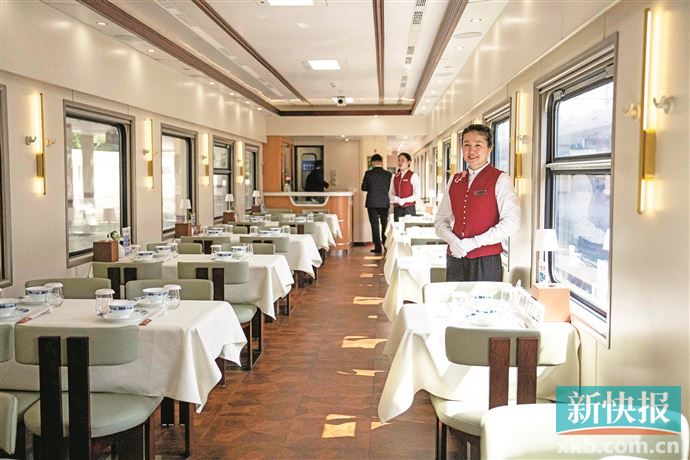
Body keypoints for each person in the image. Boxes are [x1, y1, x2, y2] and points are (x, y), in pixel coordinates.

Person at [435, 124, 520, 282]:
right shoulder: (454, 179)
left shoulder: (501, 179)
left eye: (478, 145)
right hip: (455, 257)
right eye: (466, 145)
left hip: (486, 260)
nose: (471, 151)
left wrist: (474, 243)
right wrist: (453, 241)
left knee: (484, 299)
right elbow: (440, 220)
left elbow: (511, 223)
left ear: (489, 148)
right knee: (454, 298)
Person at [361, 153, 393, 254]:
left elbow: (363, 187)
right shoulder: (388, 174)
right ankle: (386, 245)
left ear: (373, 162)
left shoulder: (368, 173)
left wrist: (372, 188)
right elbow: (389, 188)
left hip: (372, 202)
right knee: (385, 224)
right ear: (381, 162)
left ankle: (377, 247)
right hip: (384, 202)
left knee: (374, 225)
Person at [389, 152, 420, 222]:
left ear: (409, 162)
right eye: (399, 160)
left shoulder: (413, 176)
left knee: (409, 227)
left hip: (409, 208)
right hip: (397, 208)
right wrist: (396, 199)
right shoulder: (394, 176)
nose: (400, 162)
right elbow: (391, 193)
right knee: (397, 227)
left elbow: (418, 194)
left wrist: (405, 200)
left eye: (403, 160)